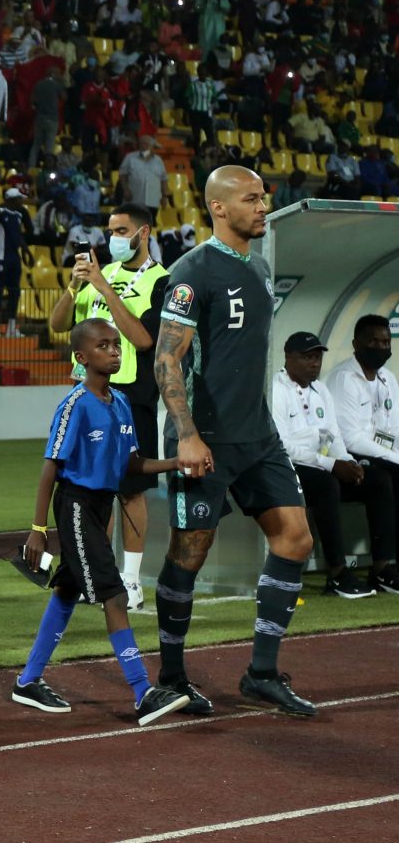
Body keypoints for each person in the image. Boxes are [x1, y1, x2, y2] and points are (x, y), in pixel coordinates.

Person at [153, 164, 317, 717]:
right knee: (190, 554)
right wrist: (187, 435)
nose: (263, 206)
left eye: (264, 197)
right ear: (219, 207)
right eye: (251, 199)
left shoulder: (261, 266)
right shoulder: (191, 271)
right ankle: (171, 678)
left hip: (258, 435)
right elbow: (167, 359)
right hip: (205, 438)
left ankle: (261, 673)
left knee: (295, 539)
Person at [14, 319, 190, 725]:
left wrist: (174, 463)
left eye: (116, 345)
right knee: (114, 594)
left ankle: (28, 680)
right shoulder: (75, 404)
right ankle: (142, 692)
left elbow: (131, 463)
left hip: (101, 506)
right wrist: (38, 530)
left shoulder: (122, 402)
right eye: (103, 346)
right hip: (76, 505)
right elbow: (50, 467)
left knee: (68, 589)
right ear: (81, 357)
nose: (114, 351)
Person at [47, 204, 169, 610]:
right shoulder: (101, 275)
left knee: (130, 491)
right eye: (110, 230)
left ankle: (131, 581)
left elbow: (144, 339)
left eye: (120, 230)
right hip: (88, 397)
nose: (112, 237)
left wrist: (103, 286)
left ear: (143, 233)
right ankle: (99, 574)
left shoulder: (161, 281)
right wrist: (73, 286)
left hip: (131, 396)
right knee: (91, 489)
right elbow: (58, 325)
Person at [273, 331, 396, 598]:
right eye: (307, 357)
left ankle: (382, 568)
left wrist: (349, 463)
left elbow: (335, 436)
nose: (314, 363)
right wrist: (331, 464)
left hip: (324, 463)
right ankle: (338, 574)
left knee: (378, 479)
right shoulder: (276, 390)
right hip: (289, 468)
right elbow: (283, 447)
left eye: (317, 357)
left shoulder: (321, 390)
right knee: (327, 485)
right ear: (288, 357)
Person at [324, 314, 399, 595]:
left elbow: (395, 428)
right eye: (374, 342)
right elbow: (351, 438)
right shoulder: (344, 378)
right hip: (349, 456)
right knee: (383, 480)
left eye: (386, 342)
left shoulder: (388, 378)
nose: (381, 348)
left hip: (383, 455)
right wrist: (395, 459)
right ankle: (382, 568)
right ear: (356, 344)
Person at [0, 188, 35, 338]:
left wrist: (26, 252)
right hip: (1, 257)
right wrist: (4, 204)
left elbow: (19, 235)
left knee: (15, 293)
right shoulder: (0, 213)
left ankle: (11, 329)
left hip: (14, 258)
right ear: (12, 200)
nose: (21, 202)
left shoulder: (19, 215)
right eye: (19, 199)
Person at [118, 136, 167, 221]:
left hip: (152, 201)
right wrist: (126, 189)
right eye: (142, 144)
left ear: (151, 146)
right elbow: (122, 174)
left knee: (149, 224)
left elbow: (163, 179)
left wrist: (164, 196)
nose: (143, 146)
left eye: (146, 144)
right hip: (134, 200)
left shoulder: (158, 161)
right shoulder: (130, 157)